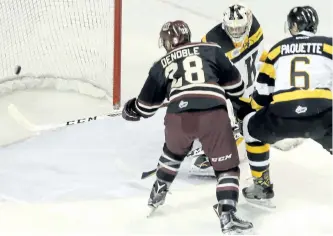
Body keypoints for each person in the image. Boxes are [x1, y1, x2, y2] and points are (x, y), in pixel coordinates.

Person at [122, 20, 253, 234]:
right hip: (213, 114)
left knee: (173, 152)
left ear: (166, 42)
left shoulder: (161, 63)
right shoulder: (212, 49)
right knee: (226, 169)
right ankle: (227, 213)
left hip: (177, 117)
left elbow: (145, 108)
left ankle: (160, 188)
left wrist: (131, 109)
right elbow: (237, 86)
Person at [236, 5, 332, 208]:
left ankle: (262, 187)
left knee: (249, 127)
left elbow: (261, 94)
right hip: (322, 117)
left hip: (282, 117)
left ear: (294, 26)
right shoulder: (329, 46)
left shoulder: (278, 49)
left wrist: (253, 113)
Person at [190, 3, 269, 176]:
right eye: (231, 29)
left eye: (240, 28)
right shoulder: (212, 41)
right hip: (231, 92)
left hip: (249, 93)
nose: (236, 33)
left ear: (247, 25)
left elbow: (258, 55)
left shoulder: (255, 29)